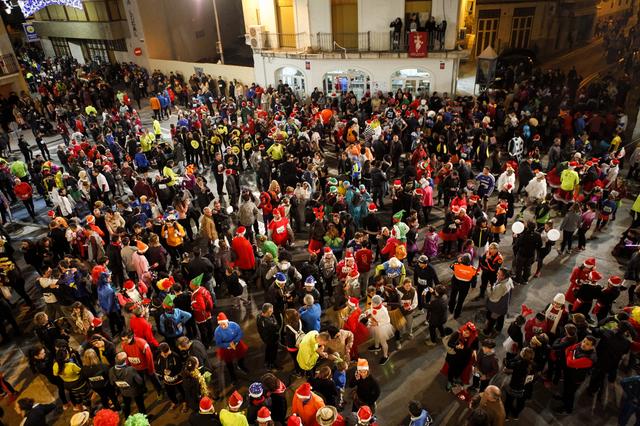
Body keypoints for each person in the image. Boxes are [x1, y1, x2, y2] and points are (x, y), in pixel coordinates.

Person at [554, 336, 597, 415]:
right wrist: (571, 355)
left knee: (570, 394)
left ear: (592, 347)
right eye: (584, 341)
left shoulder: (589, 359)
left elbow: (569, 362)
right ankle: (563, 398)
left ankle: (567, 409)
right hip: (570, 373)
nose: (583, 344)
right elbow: (568, 349)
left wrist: (570, 353)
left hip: (575, 379)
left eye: (587, 344)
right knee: (566, 388)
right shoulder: (580, 344)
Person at [109, 351, 147, 418]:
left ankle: (127, 419)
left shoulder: (111, 370)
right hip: (135, 392)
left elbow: (112, 383)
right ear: (126, 361)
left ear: (115, 360)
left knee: (127, 406)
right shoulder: (131, 369)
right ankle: (145, 420)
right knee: (140, 406)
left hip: (124, 392)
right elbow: (140, 381)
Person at [214, 312, 249, 383]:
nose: (222, 326)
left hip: (237, 344)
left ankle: (241, 365)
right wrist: (228, 345)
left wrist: (234, 342)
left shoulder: (234, 325)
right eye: (220, 324)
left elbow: (240, 334)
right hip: (226, 349)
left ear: (227, 322)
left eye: (224, 324)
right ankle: (233, 377)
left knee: (241, 356)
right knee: (229, 363)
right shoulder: (217, 331)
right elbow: (219, 343)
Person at [484, 268, 513, 336]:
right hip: (504, 304)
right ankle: (498, 328)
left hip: (497, 306)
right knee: (501, 316)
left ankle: (487, 331)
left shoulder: (501, 286)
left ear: (503, 276)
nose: (497, 274)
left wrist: (488, 287)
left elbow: (492, 297)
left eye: (498, 274)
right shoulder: (509, 280)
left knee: (492, 319)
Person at [257, 303, 280, 370]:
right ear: (267, 312)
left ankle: (267, 362)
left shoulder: (259, 316)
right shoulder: (267, 323)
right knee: (273, 352)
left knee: (268, 350)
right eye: (271, 311)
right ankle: (272, 364)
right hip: (271, 339)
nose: (272, 312)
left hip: (267, 339)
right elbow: (276, 327)